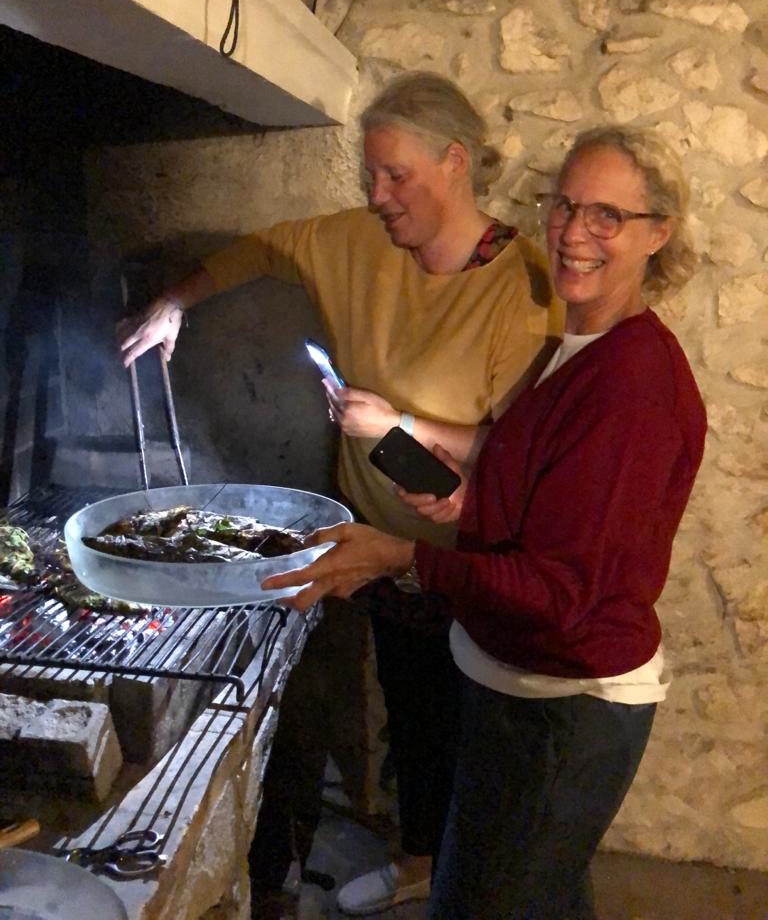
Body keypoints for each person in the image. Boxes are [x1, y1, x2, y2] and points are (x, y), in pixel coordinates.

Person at [118, 71, 561, 917]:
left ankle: (457, 868)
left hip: (463, 544)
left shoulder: (521, 287)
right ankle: (426, 849)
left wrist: (406, 424)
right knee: (410, 701)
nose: (379, 196)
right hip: (374, 538)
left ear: (457, 163)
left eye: (396, 176)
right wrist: (174, 302)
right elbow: (260, 250)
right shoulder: (358, 241)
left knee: (460, 715)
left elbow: (517, 447)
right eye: (370, 178)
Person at [262, 125, 707, 920]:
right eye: (564, 205)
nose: (573, 233)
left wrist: (403, 554)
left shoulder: (634, 387)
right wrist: (472, 505)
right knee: (542, 898)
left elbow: (560, 589)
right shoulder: (575, 346)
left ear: (658, 233)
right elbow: (546, 496)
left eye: (607, 216)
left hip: (562, 707)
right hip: (519, 685)